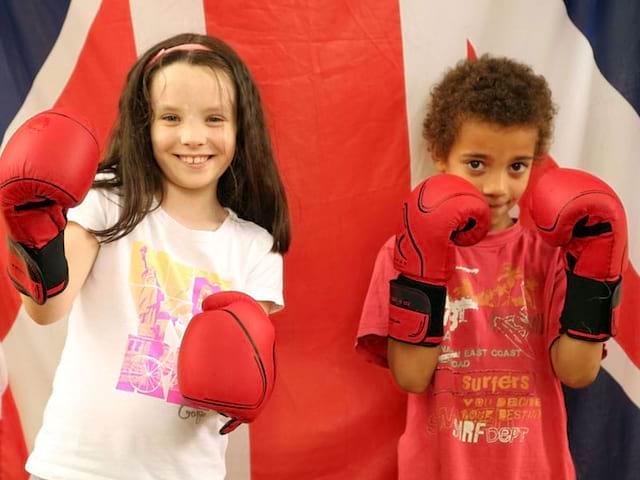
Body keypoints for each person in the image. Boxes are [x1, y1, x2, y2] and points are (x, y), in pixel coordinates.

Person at [0, 32, 290, 480]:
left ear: (240, 128)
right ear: (145, 124)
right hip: (76, 467)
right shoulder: (108, 203)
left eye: (214, 119)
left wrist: (245, 380)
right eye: (171, 117)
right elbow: (46, 309)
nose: (193, 137)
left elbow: (245, 376)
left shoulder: (255, 246)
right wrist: (32, 231)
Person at [356, 55, 627, 480]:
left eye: (516, 166)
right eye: (477, 164)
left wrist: (593, 272)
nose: (497, 187)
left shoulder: (550, 253)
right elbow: (411, 376)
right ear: (440, 154)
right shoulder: (401, 252)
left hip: (535, 468)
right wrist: (424, 270)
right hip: (441, 468)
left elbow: (577, 372)